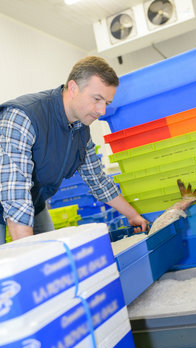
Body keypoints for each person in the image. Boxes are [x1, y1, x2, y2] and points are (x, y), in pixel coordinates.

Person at [0, 56, 148, 244]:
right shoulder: (22, 117)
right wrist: (31, 258)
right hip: (13, 195)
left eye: (106, 103)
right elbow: (15, 194)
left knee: (50, 259)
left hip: (34, 203)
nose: (102, 111)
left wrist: (133, 215)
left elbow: (99, 181)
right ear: (73, 88)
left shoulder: (80, 130)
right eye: (97, 99)